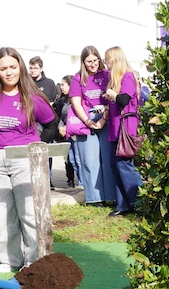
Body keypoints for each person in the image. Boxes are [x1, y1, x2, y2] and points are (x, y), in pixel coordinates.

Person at [0, 47, 56, 272]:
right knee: (2, 214)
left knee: (28, 212)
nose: (9, 72)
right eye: (3, 68)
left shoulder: (32, 96)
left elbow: (50, 124)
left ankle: (33, 261)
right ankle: (10, 260)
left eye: (13, 67)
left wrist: (36, 149)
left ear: (20, 67)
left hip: (23, 158)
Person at [69, 46, 116, 207]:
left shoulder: (107, 75)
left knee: (108, 159)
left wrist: (104, 118)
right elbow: (76, 102)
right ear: (83, 62)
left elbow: (112, 97)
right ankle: (94, 198)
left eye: (95, 60)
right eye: (89, 61)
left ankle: (111, 195)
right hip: (86, 120)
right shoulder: (77, 78)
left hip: (106, 118)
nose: (93, 64)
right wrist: (88, 121)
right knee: (89, 160)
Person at [102, 46, 143, 216]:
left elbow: (124, 99)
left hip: (125, 127)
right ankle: (123, 205)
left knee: (124, 165)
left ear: (115, 60)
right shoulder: (116, 79)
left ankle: (140, 202)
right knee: (115, 165)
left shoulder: (127, 76)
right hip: (115, 128)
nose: (106, 64)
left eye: (107, 60)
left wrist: (111, 94)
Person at [54, 75, 78, 188]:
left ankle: (83, 185)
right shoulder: (63, 100)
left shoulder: (77, 100)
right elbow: (62, 117)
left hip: (76, 135)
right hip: (67, 135)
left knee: (78, 160)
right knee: (70, 159)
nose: (61, 87)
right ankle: (71, 180)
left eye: (63, 84)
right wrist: (61, 126)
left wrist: (68, 126)